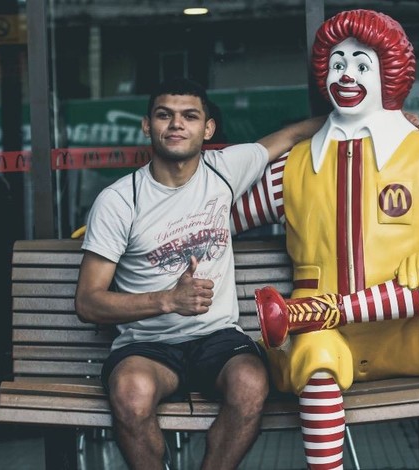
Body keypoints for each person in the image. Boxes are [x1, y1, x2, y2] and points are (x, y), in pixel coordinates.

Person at [231, 10, 419, 470]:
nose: (346, 74)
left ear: (389, 73)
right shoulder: (291, 169)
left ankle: (329, 312)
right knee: (314, 359)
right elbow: (218, 218)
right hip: (328, 339)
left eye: (361, 63)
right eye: (337, 64)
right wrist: (132, 225)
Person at [74, 77, 325, 470]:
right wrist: (167, 300)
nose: (176, 125)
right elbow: (88, 301)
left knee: (251, 383)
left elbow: (294, 133)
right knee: (130, 391)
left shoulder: (225, 170)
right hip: (146, 346)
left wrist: (379, 121)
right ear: (147, 125)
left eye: (189, 116)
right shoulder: (119, 201)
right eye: (164, 115)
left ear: (207, 129)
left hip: (217, 339)